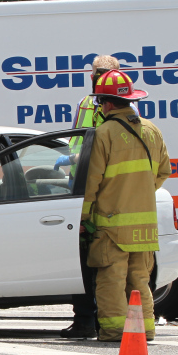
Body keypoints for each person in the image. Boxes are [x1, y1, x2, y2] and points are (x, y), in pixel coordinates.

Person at [81, 69, 171, 343]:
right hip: (145, 227)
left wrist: (83, 217)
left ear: (107, 103)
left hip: (112, 225)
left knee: (111, 280)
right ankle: (145, 329)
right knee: (139, 280)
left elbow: (91, 181)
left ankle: (115, 331)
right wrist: (139, 192)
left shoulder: (104, 133)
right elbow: (164, 171)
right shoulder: (152, 131)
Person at [58, 55, 120, 339]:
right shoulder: (88, 103)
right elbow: (78, 140)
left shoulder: (117, 108)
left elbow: (92, 148)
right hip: (88, 189)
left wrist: (73, 160)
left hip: (97, 191)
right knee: (86, 260)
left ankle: (94, 320)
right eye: (98, 73)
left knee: (98, 263)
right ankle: (87, 319)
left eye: (104, 73)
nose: (99, 78)